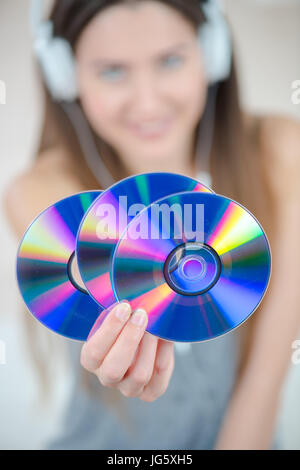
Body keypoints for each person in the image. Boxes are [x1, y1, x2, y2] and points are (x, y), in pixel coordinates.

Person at [4, 0, 300, 450]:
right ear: (65, 75)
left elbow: (265, 380)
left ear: (212, 53)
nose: (147, 100)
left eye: (171, 60)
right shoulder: (43, 190)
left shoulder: (283, 150)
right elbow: (100, 274)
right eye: (112, 71)